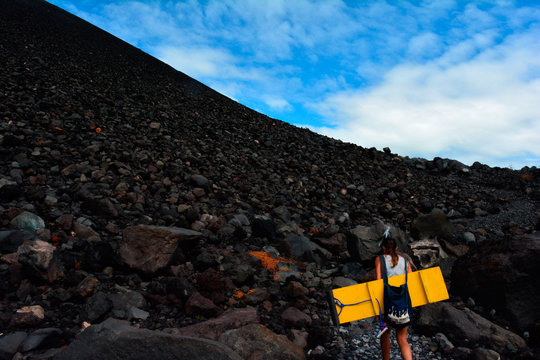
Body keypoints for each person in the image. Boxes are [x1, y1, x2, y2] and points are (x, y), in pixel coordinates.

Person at [375, 236, 413, 360]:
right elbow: (412, 282)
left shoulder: (379, 260)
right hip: (402, 306)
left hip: (386, 306)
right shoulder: (405, 261)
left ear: (383, 248)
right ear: (396, 248)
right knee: (402, 339)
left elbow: (378, 283)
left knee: (385, 335)